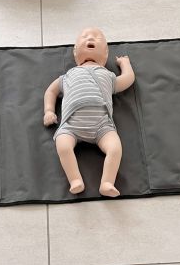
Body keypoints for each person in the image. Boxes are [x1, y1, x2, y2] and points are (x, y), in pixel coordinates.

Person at [43, 27, 135, 197]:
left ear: (105, 53)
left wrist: (125, 64)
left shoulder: (108, 76)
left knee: (115, 148)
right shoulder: (68, 75)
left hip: (102, 126)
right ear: (75, 52)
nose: (90, 38)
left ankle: (107, 182)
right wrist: (49, 110)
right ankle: (75, 179)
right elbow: (51, 91)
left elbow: (128, 79)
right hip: (71, 125)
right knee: (63, 146)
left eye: (97, 38)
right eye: (84, 37)